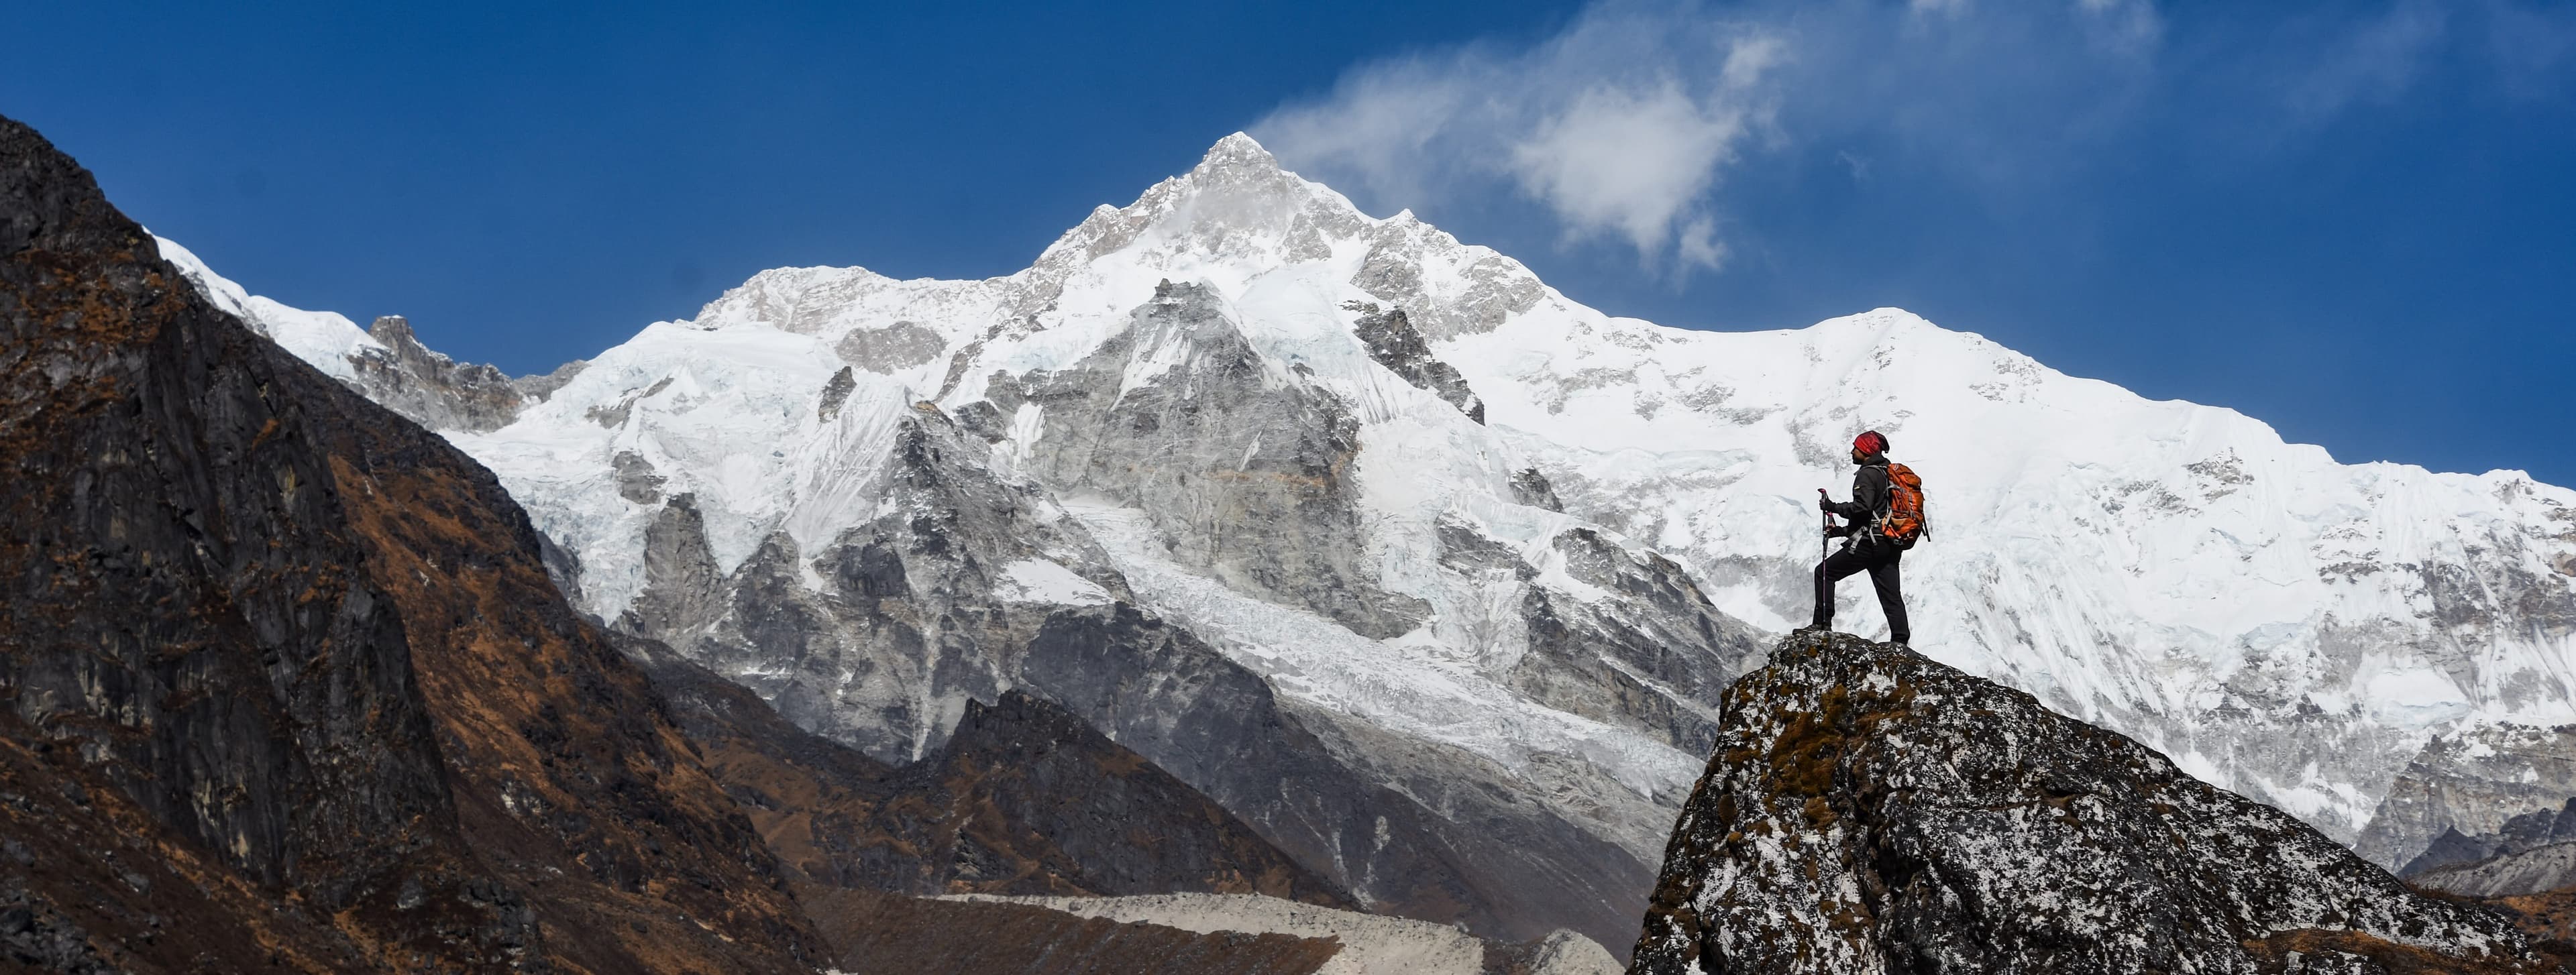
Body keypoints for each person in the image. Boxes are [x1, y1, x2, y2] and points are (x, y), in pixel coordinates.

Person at [1809, 430, 1910, 647]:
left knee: (1824, 573)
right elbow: (1877, 515)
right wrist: (1842, 531)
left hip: (1869, 545)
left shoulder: (1867, 474)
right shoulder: (1887, 471)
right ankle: (1900, 641)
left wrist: (1832, 508)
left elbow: (1863, 509)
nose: (1852, 451)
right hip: (1889, 543)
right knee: (1891, 595)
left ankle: (1821, 625)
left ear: (1866, 450)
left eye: (1856, 448)